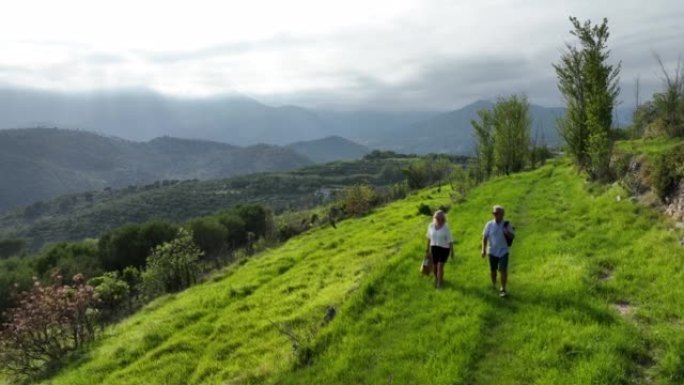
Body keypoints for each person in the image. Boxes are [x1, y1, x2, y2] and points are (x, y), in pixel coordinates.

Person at [481, 205, 514, 297]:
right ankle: (494, 284)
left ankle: (503, 288)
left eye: (496, 213)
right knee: (493, 271)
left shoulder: (507, 224)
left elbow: (512, 236)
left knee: (503, 270)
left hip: (503, 251)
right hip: (492, 251)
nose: (494, 215)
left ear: (502, 214)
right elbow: (484, 237)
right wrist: (483, 249)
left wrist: (507, 232)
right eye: (493, 213)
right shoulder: (489, 224)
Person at [425, 210, 454, 289]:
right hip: (434, 247)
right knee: (434, 267)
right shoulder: (430, 226)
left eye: (440, 217)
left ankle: (439, 283)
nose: (438, 219)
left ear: (443, 218)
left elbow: (450, 239)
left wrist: (452, 251)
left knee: (440, 266)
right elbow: (428, 238)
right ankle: (437, 278)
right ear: (434, 217)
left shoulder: (446, 227)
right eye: (437, 217)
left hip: (444, 248)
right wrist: (427, 249)